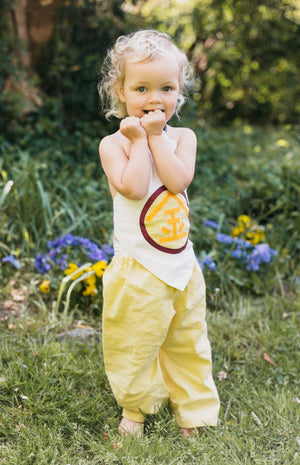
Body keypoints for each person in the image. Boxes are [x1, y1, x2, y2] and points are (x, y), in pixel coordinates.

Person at [98, 29, 220, 438]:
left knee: (189, 339)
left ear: (179, 91)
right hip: (138, 268)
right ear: (121, 92)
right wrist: (137, 142)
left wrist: (154, 139)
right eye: (142, 88)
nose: (155, 98)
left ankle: (195, 412)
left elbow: (176, 180)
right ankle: (135, 409)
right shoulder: (113, 145)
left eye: (166, 87)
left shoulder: (182, 138)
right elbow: (132, 187)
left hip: (182, 266)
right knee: (135, 343)